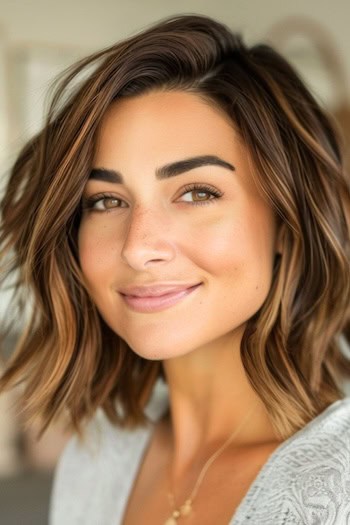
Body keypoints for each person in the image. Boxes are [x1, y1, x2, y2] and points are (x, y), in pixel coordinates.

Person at [0, 12, 350, 525]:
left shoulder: (337, 489)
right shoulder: (96, 455)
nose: (138, 248)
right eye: (105, 201)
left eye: (197, 192)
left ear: (285, 220)